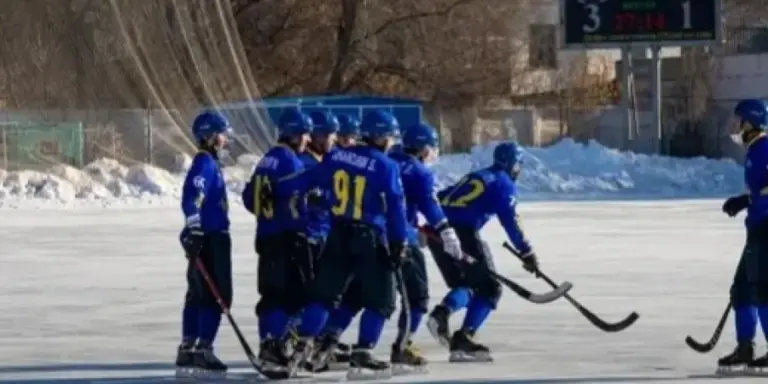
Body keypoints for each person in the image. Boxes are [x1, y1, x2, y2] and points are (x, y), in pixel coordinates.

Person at [290, 109, 408, 379]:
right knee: (382, 299)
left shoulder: (337, 156)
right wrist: (398, 241)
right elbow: (395, 208)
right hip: (368, 236)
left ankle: (303, 345)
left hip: (338, 233)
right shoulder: (386, 165)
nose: (391, 142)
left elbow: (308, 181)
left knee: (324, 295)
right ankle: (363, 353)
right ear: (379, 136)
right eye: (389, 137)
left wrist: (315, 200)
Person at [425, 141, 539, 363]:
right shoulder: (503, 183)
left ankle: (441, 314)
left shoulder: (477, 175)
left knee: (467, 284)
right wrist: (526, 252)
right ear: (513, 164)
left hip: (438, 232)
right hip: (462, 234)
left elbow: (442, 196)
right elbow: (511, 222)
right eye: (518, 165)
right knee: (489, 288)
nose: (519, 170)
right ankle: (463, 338)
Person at [241, 107, 313, 373]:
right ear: (294, 135)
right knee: (288, 294)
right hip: (287, 236)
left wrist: (266, 214)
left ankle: (272, 343)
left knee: (271, 291)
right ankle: (275, 344)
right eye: (304, 134)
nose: (307, 140)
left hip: (266, 235)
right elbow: (297, 199)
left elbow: (249, 197)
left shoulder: (266, 159)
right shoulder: (290, 161)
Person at [388, 122, 463, 369]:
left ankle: (325, 341)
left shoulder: (388, 160)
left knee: (357, 295)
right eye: (430, 147)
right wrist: (446, 230)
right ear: (422, 148)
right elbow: (430, 204)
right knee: (416, 297)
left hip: (372, 235)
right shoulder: (419, 171)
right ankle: (403, 346)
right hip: (402, 239)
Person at [176, 110, 233, 375]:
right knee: (215, 295)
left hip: (205, 237)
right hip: (211, 238)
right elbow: (191, 197)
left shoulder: (208, 162)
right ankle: (202, 349)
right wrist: (195, 228)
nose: (225, 140)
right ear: (210, 137)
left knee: (197, 294)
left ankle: (189, 347)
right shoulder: (205, 163)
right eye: (222, 135)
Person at [717, 98, 768, 371]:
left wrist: (749, 201)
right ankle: (745, 347)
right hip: (757, 227)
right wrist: (745, 201)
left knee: (762, 290)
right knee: (742, 290)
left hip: (766, 229)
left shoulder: (765, 149)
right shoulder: (754, 151)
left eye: (739, 122)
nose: (735, 127)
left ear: (751, 123)